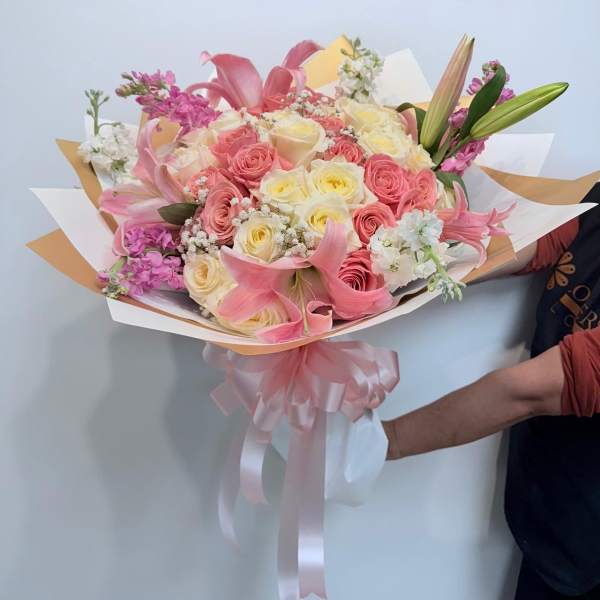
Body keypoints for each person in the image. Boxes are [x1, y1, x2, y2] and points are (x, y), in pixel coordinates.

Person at [383, 183, 600, 599]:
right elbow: (538, 240)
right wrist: (405, 264)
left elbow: (522, 392)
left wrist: (382, 441)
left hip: (586, 536)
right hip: (551, 492)